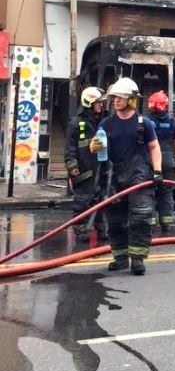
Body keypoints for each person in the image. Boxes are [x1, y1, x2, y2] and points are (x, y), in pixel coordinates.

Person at [90, 77, 163, 275]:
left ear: (131, 99)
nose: (116, 101)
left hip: (138, 175)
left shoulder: (144, 124)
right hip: (113, 176)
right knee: (115, 219)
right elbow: (96, 145)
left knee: (140, 216)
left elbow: (154, 147)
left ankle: (137, 259)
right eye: (114, 97)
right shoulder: (107, 123)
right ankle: (120, 257)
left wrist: (157, 171)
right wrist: (93, 146)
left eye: (120, 97)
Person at [64, 87, 107, 241]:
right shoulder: (76, 123)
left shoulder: (102, 122)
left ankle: (102, 230)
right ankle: (81, 231)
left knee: (102, 200)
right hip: (84, 169)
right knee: (82, 202)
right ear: (89, 103)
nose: (101, 105)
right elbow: (70, 148)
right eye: (98, 102)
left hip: (100, 168)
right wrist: (72, 167)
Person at [146, 91, 175, 233]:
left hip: (151, 160)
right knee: (166, 191)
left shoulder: (147, 121)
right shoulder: (172, 121)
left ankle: (151, 221)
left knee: (149, 190)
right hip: (168, 160)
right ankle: (166, 223)